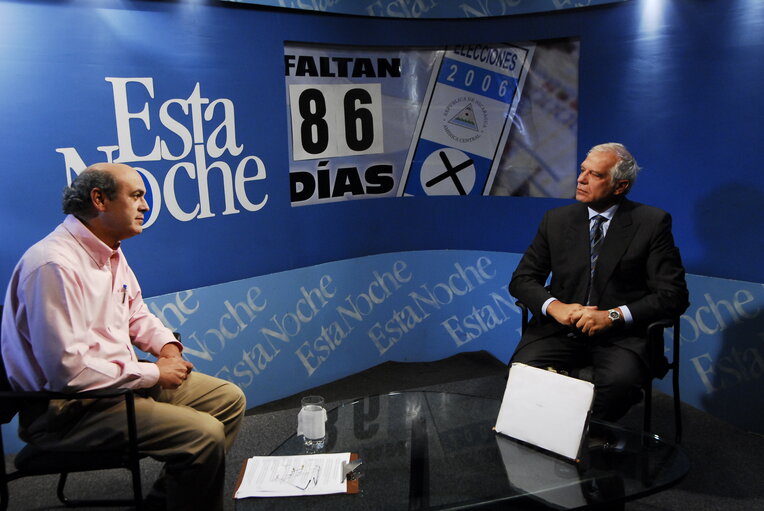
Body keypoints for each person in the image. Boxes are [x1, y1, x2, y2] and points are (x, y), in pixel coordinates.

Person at [1, 162, 246, 511]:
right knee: (203, 434)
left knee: (227, 399)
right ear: (99, 199)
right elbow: (68, 374)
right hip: (67, 411)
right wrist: (154, 373)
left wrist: (167, 347)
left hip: (114, 388)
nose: (145, 206)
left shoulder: (108, 249)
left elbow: (134, 311)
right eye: (136, 196)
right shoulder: (53, 265)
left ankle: (165, 503)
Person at [508, 143, 689, 421]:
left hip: (622, 337)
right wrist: (555, 306)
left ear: (620, 186)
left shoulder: (651, 224)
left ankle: (590, 437)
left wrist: (612, 316)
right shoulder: (556, 220)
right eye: (582, 171)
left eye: (595, 174)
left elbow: (673, 295)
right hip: (558, 329)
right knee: (523, 370)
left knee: (619, 384)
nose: (581, 179)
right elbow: (522, 279)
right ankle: (553, 435)